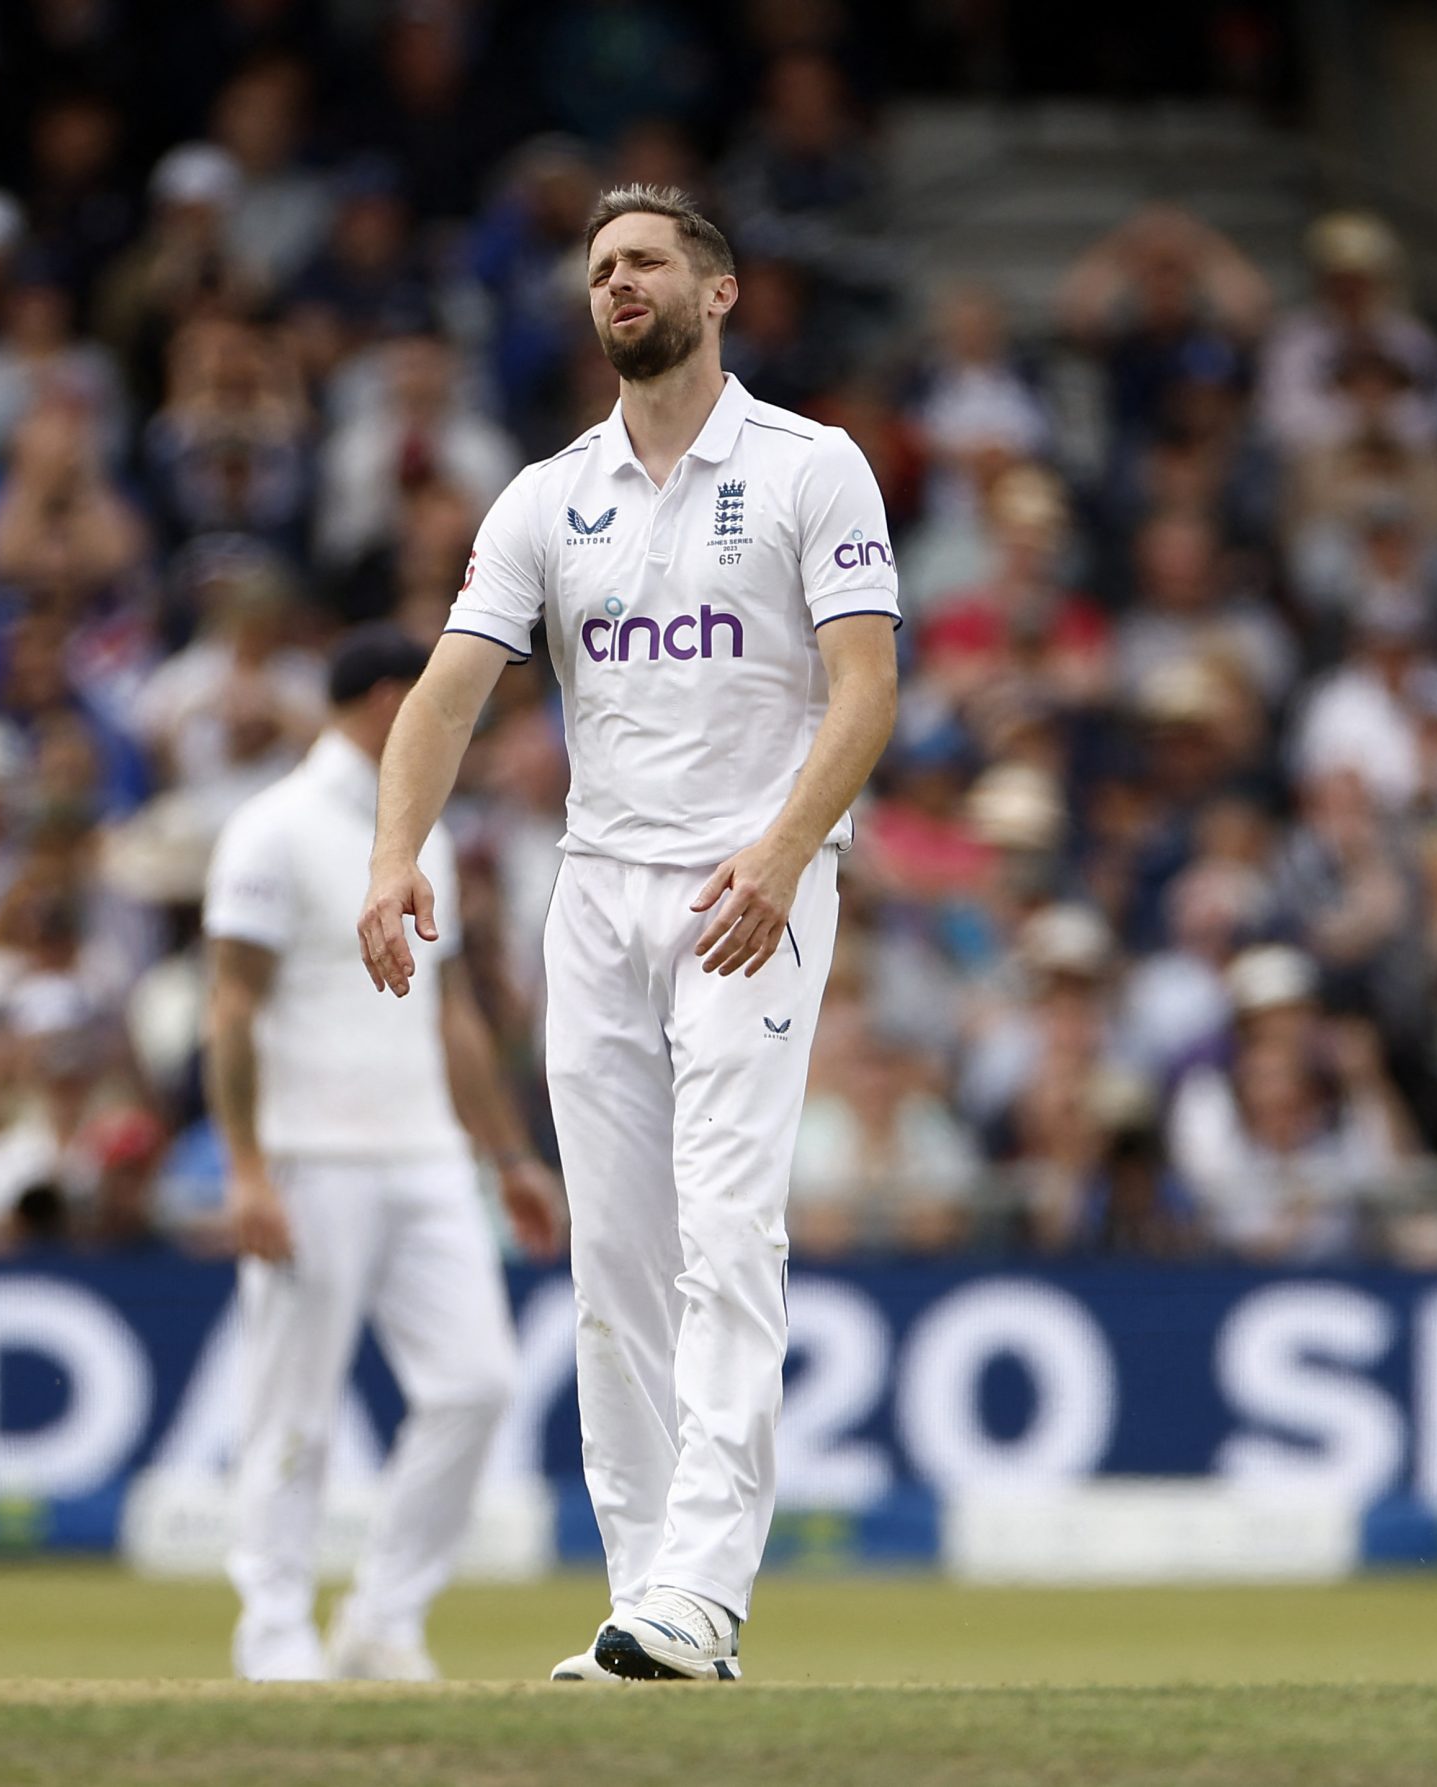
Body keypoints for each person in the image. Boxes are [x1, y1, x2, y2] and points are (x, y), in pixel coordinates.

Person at [356, 186, 899, 1683]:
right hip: (596, 897)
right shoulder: (546, 494)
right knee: (618, 1258)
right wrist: (397, 852)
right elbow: (448, 689)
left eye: (647, 261)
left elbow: (865, 689)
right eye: (600, 269)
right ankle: (648, 1600)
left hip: (750, 887)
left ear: (718, 292)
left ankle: (702, 1590)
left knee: (729, 1233)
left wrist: (788, 852)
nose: (617, 284)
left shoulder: (811, 466)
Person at [206, 626, 564, 1683]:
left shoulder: (425, 834)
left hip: (424, 1155)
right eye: (430, 695)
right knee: (296, 1404)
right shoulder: (270, 828)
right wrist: (245, 1168)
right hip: (310, 1153)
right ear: (378, 701)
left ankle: (381, 1617)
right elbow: (230, 1004)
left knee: (477, 1384)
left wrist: (506, 1159)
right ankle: (271, 1623)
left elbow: (448, 1019)